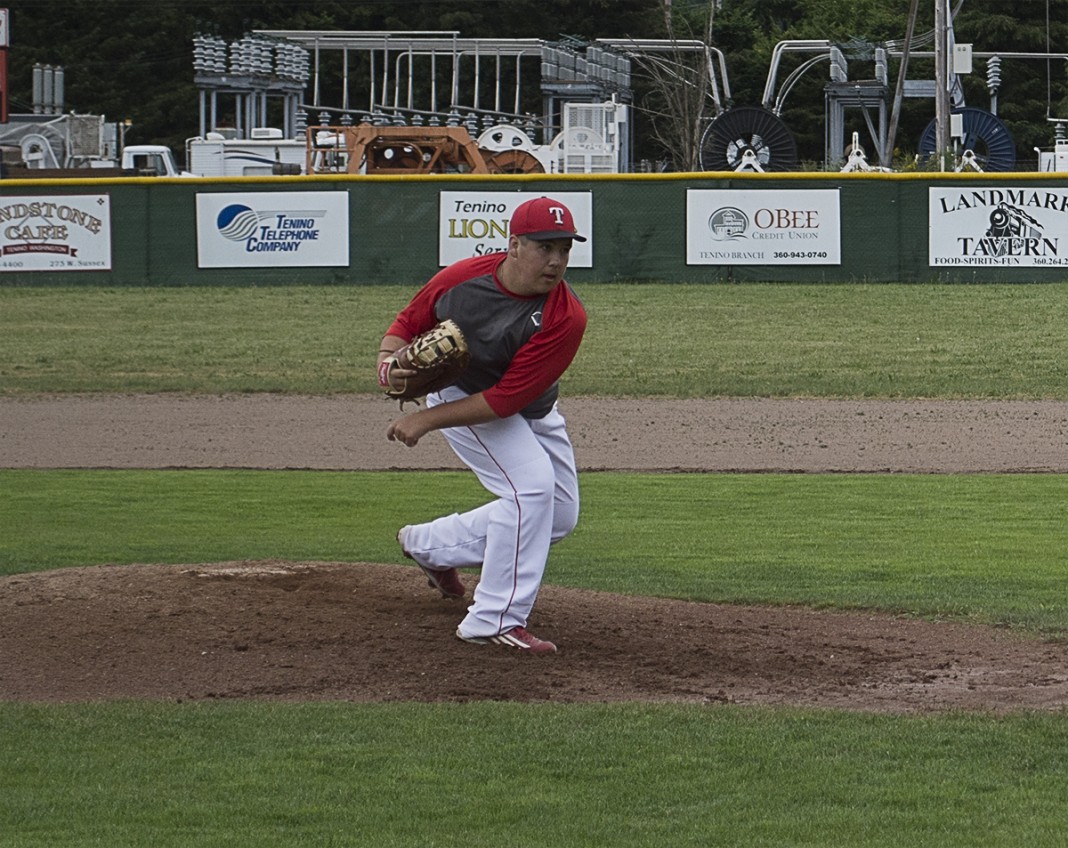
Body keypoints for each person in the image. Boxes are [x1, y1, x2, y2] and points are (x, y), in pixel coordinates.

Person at [376, 196, 588, 655]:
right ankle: (495, 619)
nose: (556, 261)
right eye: (544, 247)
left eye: (564, 249)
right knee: (530, 490)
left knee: (558, 514)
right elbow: (404, 325)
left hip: (515, 407)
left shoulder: (565, 317)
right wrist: (386, 367)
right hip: (460, 395)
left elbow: (505, 399)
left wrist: (424, 421)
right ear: (514, 245)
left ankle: (427, 546)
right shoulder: (461, 280)